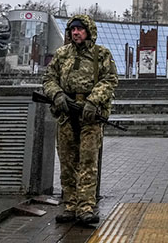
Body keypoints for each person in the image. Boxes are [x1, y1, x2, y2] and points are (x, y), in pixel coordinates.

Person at [42, 14, 119, 224]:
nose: (76, 33)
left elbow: (110, 79)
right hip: (66, 114)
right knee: (67, 161)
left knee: (87, 161)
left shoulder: (101, 54)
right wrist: (57, 95)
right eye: (73, 30)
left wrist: (93, 101)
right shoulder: (62, 54)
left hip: (89, 115)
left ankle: (86, 207)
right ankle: (70, 205)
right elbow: (48, 79)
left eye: (80, 29)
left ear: (89, 31)